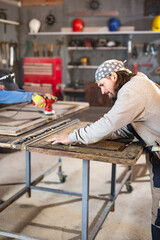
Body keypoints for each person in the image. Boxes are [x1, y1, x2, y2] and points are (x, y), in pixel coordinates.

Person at [48, 59, 160, 240]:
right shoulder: (138, 83)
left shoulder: (132, 91)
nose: (103, 91)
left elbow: (109, 123)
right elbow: (125, 126)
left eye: (103, 84)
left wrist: (72, 137)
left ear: (113, 76)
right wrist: (96, 133)